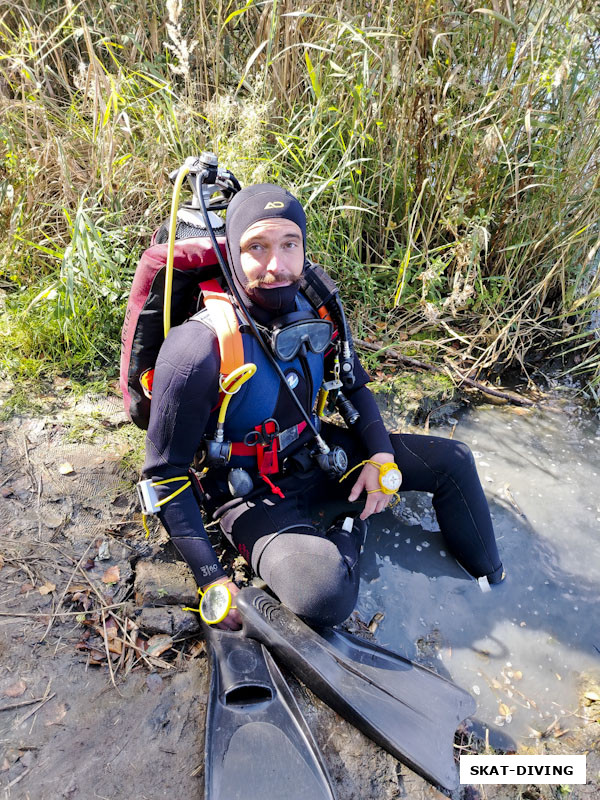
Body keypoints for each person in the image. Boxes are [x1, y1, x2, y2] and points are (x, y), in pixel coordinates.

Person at [143, 184, 504, 630]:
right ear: (233, 255)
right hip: (246, 490)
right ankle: (351, 525)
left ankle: (494, 588)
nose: (276, 265)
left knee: (455, 461)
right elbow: (164, 474)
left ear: (303, 246)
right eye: (257, 247)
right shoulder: (197, 347)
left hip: (317, 451)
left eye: (289, 245)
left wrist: (381, 456)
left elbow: (353, 386)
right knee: (324, 594)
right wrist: (211, 579)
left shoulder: (318, 305)